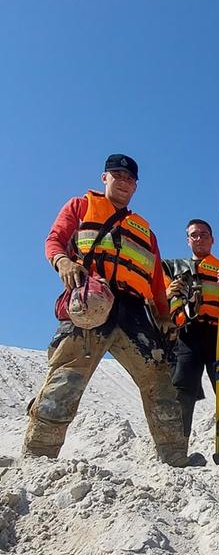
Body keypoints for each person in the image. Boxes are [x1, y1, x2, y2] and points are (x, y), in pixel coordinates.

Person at [23, 154, 190, 467]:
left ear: (135, 186)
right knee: (67, 377)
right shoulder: (81, 206)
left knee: (158, 380)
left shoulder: (145, 232)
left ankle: (175, 460)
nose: (123, 182)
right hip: (92, 299)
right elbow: (55, 239)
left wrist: (165, 317)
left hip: (136, 312)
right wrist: (64, 262)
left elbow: (155, 281)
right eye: (117, 175)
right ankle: (37, 460)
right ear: (105, 178)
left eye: (129, 178)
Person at [162, 219, 219, 455]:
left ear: (212, 239)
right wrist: (168, 293)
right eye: (194, 235)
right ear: (188, 240)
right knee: (182, 390)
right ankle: (177, 449)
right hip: (187, 334)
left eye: (204, 235)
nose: (199, 239)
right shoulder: (173, 267)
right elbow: (153, 294)